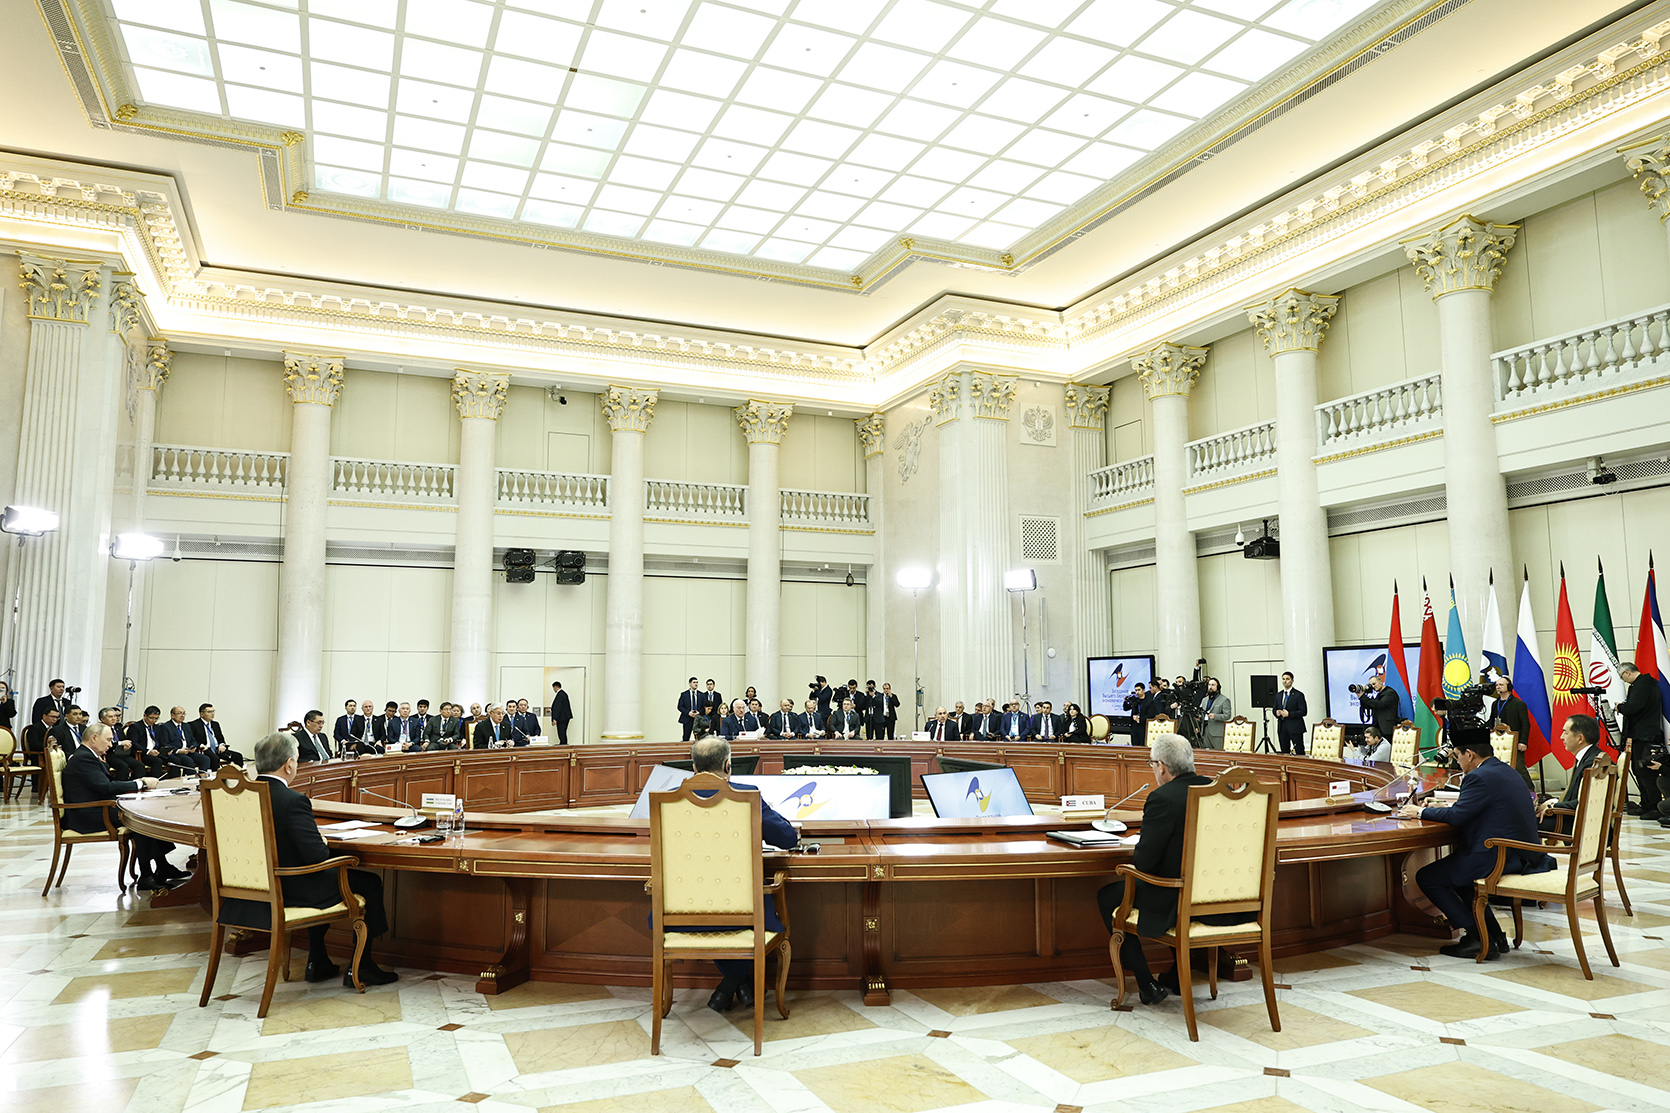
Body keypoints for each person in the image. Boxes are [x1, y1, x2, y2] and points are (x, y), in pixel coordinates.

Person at [219, 732, 397, 987]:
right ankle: (362, 965)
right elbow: (317, 856)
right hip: (290, 889)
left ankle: (318, 960)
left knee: (319, 875)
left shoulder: (240, 799)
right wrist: (322, 841)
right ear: (289, 764)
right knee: (369, 883)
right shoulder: (293, 801)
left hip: (249, 890)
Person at [1096, 734, 1254, 1005]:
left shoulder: (1162, 798)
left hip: (1177, 898)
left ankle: (1146, 983)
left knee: (1108, 896)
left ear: (1162, 767)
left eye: (1151, 764)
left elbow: (1144, 863)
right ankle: (1177, 976)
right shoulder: (1219, 791)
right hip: (1222, 899)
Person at [662, 736, 797, 1013]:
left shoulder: (669, 799)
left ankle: (732, 985)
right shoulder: (745, 795)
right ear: (727, 765)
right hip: (744, 914)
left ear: (693, 767)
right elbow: (786, 838)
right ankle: (737, 983)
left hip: (682, 915)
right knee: (750, 906)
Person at [1396, 733, 1555, 960]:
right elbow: (1478, 806)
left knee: (1428, 877)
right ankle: (1494, 936)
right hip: (1521, 854)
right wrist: (1444, 807)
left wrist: (1419, 811)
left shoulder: (1478, 777)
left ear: (1469, 754)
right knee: (1461, 879)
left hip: (1499, 854)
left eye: (1457, 756)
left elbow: (1458, 816)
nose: (1457, 762)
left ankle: (1476, 938)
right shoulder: (1506, 770)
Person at [61, 722, 184, 891]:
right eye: (108, 740)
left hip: (98, 807)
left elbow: (105, 784)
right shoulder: (83, 758)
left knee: (148, 814)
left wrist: (136, 784)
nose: (111, 744)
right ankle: (146, 875)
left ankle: (162, 866)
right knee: (142, 819)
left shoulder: (87, 755)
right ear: (94, 738)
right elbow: (105, 787)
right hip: (87, 814)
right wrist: (140, 783)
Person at [1537, 714, 1604, 830]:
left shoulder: (1592, 765)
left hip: (1578, 823)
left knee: (1523, 824)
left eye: (1565, 732)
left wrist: (1553, 806)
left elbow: (1586, 802)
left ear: (1580, 738)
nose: (1561, 737)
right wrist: (1553, 801)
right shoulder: (1590, 757)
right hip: (1577, 818)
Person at [1617, 662, 1665, 818]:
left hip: (1644, 735)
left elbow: (1633, 707)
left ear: (1627, 672)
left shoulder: (1641, 686)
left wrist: (1620, 708)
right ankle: (1646, 804)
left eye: (1622, 677)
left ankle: (1654, 807)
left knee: (1645, 771)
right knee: (1639, 770)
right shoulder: (1647, 684)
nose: (1623, 680)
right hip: (1644, 734)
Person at [1487, 673, 1534, 791]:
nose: (1498, 687)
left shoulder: (1518, 704)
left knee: (1519, 767)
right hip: (1498, 741)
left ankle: (1530, 791)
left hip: (1514, 741)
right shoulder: (1495, 704)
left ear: (1509, 687)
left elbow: (1525, 723)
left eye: (1501, 685)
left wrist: (1523, 741)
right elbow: (1491, 721)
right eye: (1497, 685)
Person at [98, 706, 153, 779]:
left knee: (139, 765)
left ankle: (136, 783)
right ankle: (120, 785)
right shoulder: (100, 730)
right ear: (102, 719)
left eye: (115, 716)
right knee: (123, 766)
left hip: (122, 753)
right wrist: (120, 743)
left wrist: (128, 744)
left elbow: (126, 740)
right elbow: (102, 744)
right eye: (110, 717)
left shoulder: (118, 729)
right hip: (109, 755)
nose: (114, 718)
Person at [1358, 674, 1401, 742]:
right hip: (1378, 728)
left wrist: (1363, 697)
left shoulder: (1390, 693)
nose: (1373, 686)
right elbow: (1372, 705)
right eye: (1371, 685)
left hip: (1386, 728)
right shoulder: (1380, 694)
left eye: (1374, 684)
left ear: (1380, 681)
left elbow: (1379, 704)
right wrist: (1361, 697)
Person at [1273, 671, 1307, 756]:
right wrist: (1276, 712)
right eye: (1283, 679)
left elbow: (1303, 711)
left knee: (1299, 751)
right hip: (1282, 727)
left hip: (1295, 727)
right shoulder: (1279, 695)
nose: (1285, 681)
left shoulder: (1298, 695)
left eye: (1287, 679)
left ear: (1292, 680)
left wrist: (1289, 714)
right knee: (1284, 751)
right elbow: (1274, 708)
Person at [1198, 679, 1231, 750]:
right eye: (1209, 685)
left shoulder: (1224, 700)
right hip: (1205, 731)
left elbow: (1227, 715)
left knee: (1219, 753)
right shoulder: (1204, 700)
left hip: (1217, 733)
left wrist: (1215, 716)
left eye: (1213, 685)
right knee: (1207, 753)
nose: (1210, 687)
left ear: (1218, 687)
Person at [549, 681, 572, 745]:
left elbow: (558, 707)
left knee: (561, 732)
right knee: (563, 732)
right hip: (564, 717)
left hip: (562, 718)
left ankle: (563, 745)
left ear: (555, 687)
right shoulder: (563, 694)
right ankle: (563, 744)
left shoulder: (560, 694)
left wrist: (555, 718)